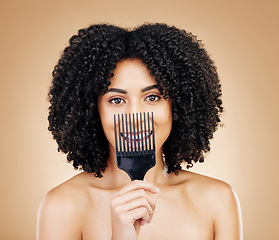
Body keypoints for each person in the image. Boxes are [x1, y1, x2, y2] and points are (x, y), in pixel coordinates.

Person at [36, 23, 242, 240]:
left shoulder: (217, 200)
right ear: (92, 110)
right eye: (116, 100)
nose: (135, 117)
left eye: (152, 97)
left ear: (178, 106)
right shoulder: (62, 207)